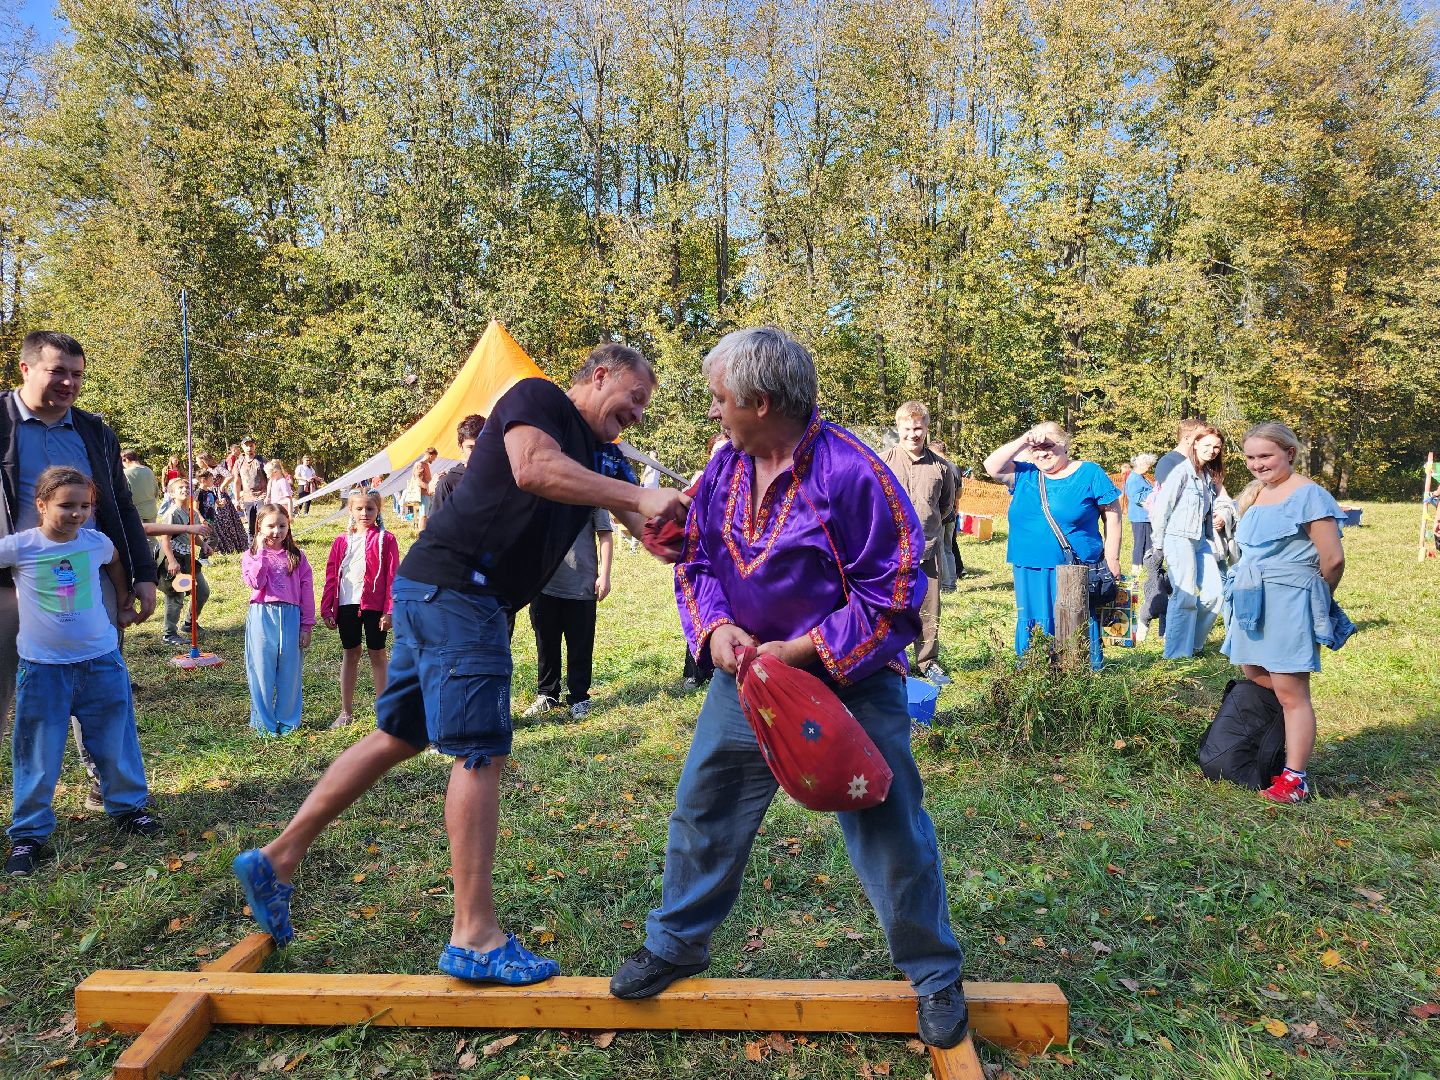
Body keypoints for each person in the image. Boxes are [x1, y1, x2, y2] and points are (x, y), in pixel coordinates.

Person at [231, 342, 686, 987]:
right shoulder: (538, 400)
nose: (637, 414)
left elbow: (650, 534)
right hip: (461, 592)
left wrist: (693, 525)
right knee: (481, 751)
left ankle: (278, 858)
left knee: (397, 735)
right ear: (600, 374)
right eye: (634, 398)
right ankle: (474, 935)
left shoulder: (604, 457)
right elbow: (532, 468)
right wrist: (636, 496)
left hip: (436, 590)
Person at [609, 327, 970, 1050]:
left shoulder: (854, 473)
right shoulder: (725, 471)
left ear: (759, 400)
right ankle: (678, 943)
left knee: (890, 829)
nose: (713, 413)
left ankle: (933, 975)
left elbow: (896, 594)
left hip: (850, 686)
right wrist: (714, 632)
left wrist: (803, 650)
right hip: (745, 679)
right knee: (704, 810)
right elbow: (698, 560)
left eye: (719, 400)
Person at [0, 331, 158, 814]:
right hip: (9, 584)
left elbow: (122, 508)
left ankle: (105, 787)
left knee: (94, 684)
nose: (69, 382)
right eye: (57, 371)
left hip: (85, 579)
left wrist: (142, 573)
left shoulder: (94, 431)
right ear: (25, 369)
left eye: (77, 374)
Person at [3, 467, 161, 876]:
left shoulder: (96, 542)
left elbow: (113, 562)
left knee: (116, 740)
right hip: (43, 670)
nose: (77, 514)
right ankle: (28, 835)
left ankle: (128, 809)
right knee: (37, 752)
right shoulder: (21, 547)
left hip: (101, 662)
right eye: (66, 505)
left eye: (85, 506)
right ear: (41, 505)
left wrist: (125, 599)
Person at [1222, 423, 1349, 804]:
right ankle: (1271, 748)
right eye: (1250, 457)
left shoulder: (1309, 495)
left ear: (1289, 454)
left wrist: (1311, 600)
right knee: (1256, 674)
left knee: (1292, 692)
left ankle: (1295, 779)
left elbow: (1333, 559)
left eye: (1265, 456)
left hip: (1290, 601)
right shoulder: (1258, 494)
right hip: (1250, 598)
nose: (1257, 464)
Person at [984, 422, 1121, 670]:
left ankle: (1079, 674)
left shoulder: (1089, 473)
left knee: (1075, 619)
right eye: (1035, 448)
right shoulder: (1024, 474)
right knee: (1035, 620)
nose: (1042, 453)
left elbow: (1113, 514)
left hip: (1074, 569)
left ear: (1065, 445)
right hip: (1029, 567)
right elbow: (990, 466)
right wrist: (1024, 440)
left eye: (1048, 446)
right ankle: (1036, 672)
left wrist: (1113, 558)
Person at [880, 403, 956, 685]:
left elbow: (946, 506)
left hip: (928, 549)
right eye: (908, 428)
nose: (913, 434)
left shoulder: (941, 467)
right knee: (889, 608)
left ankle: (928, 662)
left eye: (918, 428)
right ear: (898, 428)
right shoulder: (882, 461)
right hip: (889, 553)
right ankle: (889, 660)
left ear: (926, 428)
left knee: (928, 610)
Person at [520, 507, 613, 720]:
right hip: (544, 583)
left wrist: (605, 575)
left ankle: (579, 697)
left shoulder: (593, 489)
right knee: (546, 643)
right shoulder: (542, 491)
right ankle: (547, 694)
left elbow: (605, 534)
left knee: (580, 645)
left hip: (581, 583)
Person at [321, 490, 399, 728]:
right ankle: (345, 711)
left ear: (378, 510)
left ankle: (384, 713)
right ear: (351, 510)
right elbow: (332, 575)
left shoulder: (387, 540)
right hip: (347, 605)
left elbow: (393, 576)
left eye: (370, 509)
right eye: (359, 509)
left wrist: (390, 610)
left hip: (375, 607)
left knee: (378, 654)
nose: (364, 513)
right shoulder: (341, 541)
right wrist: (327, 608)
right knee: (351, 653)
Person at [1151, 425, 1229, 659]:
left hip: (1201, 541)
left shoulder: (1207, 475)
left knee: (1216, 594)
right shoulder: (1181, 472)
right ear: (1194, 443)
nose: (1212, 450)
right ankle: (1175, 653)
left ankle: (1192, 644)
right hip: (1178, 538)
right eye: (1207, 445)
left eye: (1216, 446)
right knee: (1184, 596)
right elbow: (1161, 509)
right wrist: (1158, 544)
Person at [241, 504, 315, 736]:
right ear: (259, 527)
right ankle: (264, 723)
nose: (276, 531)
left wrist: (307, 625)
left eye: (282, 525)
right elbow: (256, 583)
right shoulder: (251, 556)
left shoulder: (297, 556)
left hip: (291, 618)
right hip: (262, 616)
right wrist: (262, 553)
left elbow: (307, 591)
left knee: (290, 672)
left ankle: (288, 720)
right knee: (262, 671)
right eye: (271, 525)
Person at [156, 476, 212, 648]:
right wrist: (171, 561)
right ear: (172, 494)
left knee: (202, 591)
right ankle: (169, 634)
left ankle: (189, 623)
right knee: (176, 595)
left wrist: (204, 545)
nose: (184, 489)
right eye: (180, 488)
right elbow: (164, 539)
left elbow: (192, 535)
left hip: (188, 558)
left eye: (187, 487)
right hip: (172, 558)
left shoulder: (192, 513)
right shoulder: (171, 514)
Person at [431, 414, 486, 513]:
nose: (477, 452)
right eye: (470, 447)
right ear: (461, 447)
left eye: (482, 445)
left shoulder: (503, 477)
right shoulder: (449, 484)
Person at [930, 439, 964, 589]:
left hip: (942, 514)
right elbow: (959, 493)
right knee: (949, 549)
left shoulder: (938, 466)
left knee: (941, 550)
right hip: (952, 514)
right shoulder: (955, 467)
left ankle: (945, 584)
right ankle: (952, 583)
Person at [1125, 453, 1158, 575]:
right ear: (1142, 464)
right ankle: (1136, 567)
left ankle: (1148, 565)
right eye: (1148, 465)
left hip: (1145, 516)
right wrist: (1152, 495)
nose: (1150, 468)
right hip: (1139, 517)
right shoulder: (1134, 478)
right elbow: (1135, 497)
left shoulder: (1141, 477)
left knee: (1149, 542)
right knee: (1140, 542)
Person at [1154, 418, 1206, 491]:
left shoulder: (1197, 461)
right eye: (1201, 437)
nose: (1206, 441)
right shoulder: (1168, 463)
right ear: (1186, 439)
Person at [231, 438, 269, 535]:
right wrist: (237, 500)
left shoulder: (261, 460)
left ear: (254, 446)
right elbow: (237, 481)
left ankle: (265, 547)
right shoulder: (238, 462)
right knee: (251, 527)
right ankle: (252, 548)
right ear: (242, 447)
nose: (249, 448)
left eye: (251, 445)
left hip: (262, 497)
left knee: (263, 523)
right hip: (247, 498)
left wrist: (269, 495)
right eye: (246, 445)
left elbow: (270, 477)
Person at [122, 451, 161, 524]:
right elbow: (156, 492)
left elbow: (124, 496)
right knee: (152, 535)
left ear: (126, 459)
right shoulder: (149, 470)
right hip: (152, 511)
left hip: (136, 514)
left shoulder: (125, 473)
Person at [415, 447, 438, 531]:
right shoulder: (420, 464)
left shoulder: (425, 465)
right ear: (430, 456)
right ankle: (421, 535)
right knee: (423, 515)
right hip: (423, 493)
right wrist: (429, 488)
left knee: (426, 515)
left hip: (427, 493)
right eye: (434, 457)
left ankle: (425, 532)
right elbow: (418, 481)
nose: (434, 459)